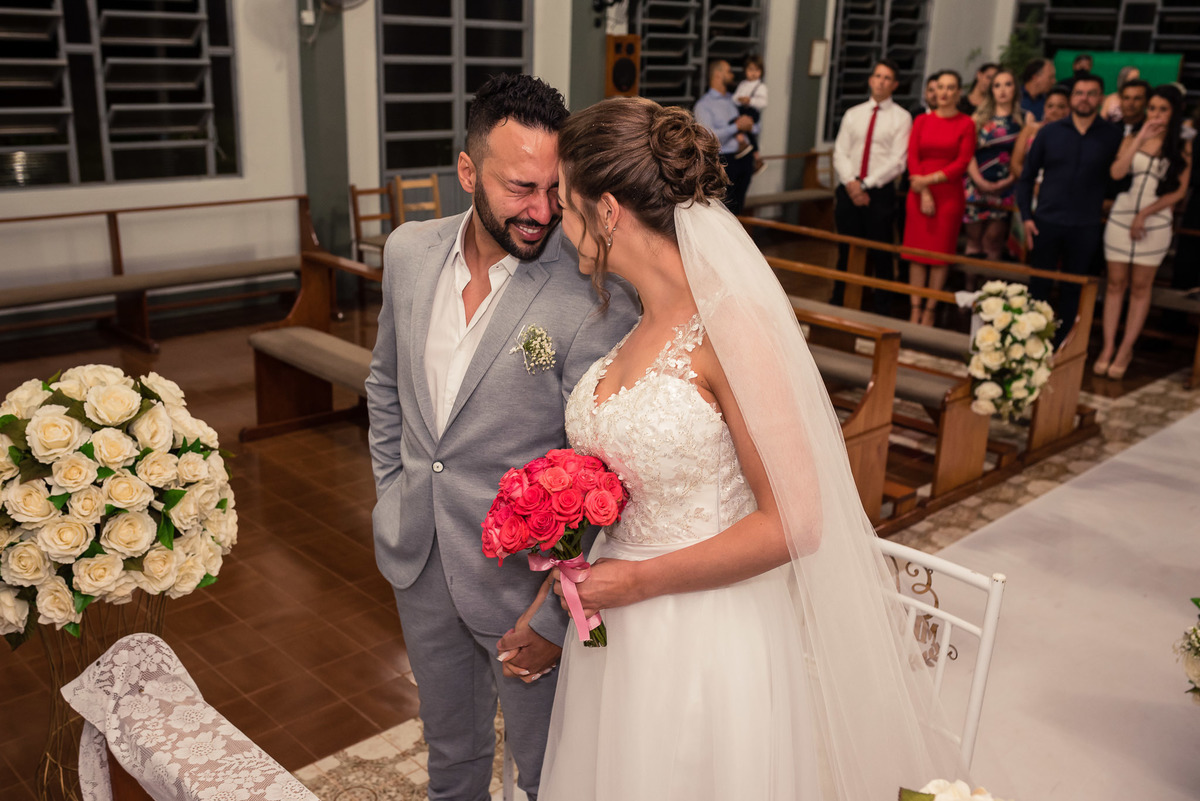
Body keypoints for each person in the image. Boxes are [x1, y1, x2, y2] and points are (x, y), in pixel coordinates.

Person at [539, 95, 964, 801]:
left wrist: (636, 581)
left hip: (703, 633)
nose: (559, 220)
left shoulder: (732, 328)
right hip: (620, 631)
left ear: (608, 211)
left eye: (565, 203)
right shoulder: (638, 321)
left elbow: (795, 523)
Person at [364, 73, 638, 801]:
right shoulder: (408, 253)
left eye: (554, 190)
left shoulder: (591, 291)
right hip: (419, 559)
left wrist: (554, 612)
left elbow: (603, 466)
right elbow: (385, 385)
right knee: (451, 759)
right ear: (467, 171)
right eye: (521, 188)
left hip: (524, 588)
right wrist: (393, 493)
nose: (541, 211)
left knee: (547, 772)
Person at [1016, 73, 1122, 345]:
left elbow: (1118, 179)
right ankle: (1030, 344)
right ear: (1071, 97)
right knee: (1039, 285)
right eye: (1079, 93)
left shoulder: (1112, 136)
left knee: (1074, 288)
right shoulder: (1049, 132)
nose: (1084, 99)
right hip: (1046, 220)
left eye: (1091, 93)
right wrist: (1026, 217)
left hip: (1086, 224)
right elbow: (1026, 177)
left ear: (1100, 98)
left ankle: (1064, 346)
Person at [1097, 85, 1192, 379]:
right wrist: (1139, 138)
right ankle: (1108, 347)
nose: (1156, 115)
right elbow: (1116, 173)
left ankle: (1126, 349)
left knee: (1140, 287)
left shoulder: (1182, 146)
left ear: (1174, 113)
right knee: (1115, 284)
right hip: (1121, 216)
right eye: (1152, 108)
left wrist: (1145, 214)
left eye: (1163, 110)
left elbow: (1179, 192)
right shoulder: (1131, 138)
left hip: (1155, 221)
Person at [831, 58, 912, 314]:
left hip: (879, 192)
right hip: (849, 188)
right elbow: (840, 152)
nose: (881, 82)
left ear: (894, 84)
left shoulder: (902, 117)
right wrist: (852, 184)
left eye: (887, 78)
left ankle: (882, 307)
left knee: (881, 251)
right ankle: (840, 299)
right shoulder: (853, 114)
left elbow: (897, 160)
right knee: (846, 248)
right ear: (870, 80)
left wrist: (866, 184)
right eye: (878, 76)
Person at [902, 70, 976, 325]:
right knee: (916, 254)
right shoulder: (922, 120)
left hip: (948, 194)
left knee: (939, 255)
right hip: (918, 192)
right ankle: (914, 308)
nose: (944, 92)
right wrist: (922, 189)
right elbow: (913, 157)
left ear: (959, 92)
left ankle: (930, 309)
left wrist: (929, 181)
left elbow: (962, 162)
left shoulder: (966, 124)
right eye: (940, 87)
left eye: (950, 87)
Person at [963, 68, 1025, 260]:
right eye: (997, 86)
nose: (1003, 90)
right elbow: (967, 153)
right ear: (991, 91)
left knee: (993, 239)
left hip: (1006, 187)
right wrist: (980, 182)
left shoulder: (1025, 119)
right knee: (974, 240)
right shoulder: (978, 118)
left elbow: (1025, 157)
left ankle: (988, 280)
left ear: (1015, 88)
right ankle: (970, 279)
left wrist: (1008, 181)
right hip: (976, 184)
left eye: (1008, 84)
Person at [694, 58, 757, 215]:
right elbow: (708, 137)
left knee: (738, 208)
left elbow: (752, 126)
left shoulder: (733, 100)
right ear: (717, 74)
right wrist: (736, 127)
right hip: (723, 161)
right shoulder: (704, 105)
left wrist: (750, 125)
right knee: (723, 210)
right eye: (728, 71)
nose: (732, 75)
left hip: (744, 157)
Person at [1011, 85, 1069, 180]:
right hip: (1029, 183)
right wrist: (1032, 184)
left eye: (1061, 106)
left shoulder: (1073, 134)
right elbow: (1015, 164)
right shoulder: (1030, 129)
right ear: (1044, 107)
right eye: (1050, 106)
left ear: (1069, 109)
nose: (1054, 111)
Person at [733, 53, 769, 173]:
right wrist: (739, 99)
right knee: (736, 125)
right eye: (750, 70)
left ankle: (756, 156)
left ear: (761, 71)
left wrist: (750, 101)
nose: (753, 73)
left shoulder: (760, 86)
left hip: (752, 112)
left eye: (757, 70)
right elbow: (734, 98)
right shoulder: (743, 84)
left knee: (746, 131)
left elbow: (763, 102)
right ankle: (744, 145)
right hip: (742, 111)